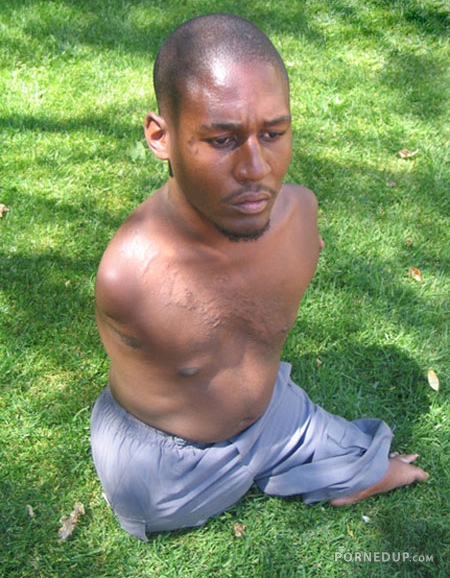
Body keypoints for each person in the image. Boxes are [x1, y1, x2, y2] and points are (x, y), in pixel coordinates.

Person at [91, 14, 428, 541]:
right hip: (169, 464)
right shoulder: (130, 278)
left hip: (276, 415)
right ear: (161, 136)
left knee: (366, 460)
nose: (255, 168)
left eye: (272, 134)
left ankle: (315, 462)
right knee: (146, 513)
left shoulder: (301, 216)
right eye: (222, 139)